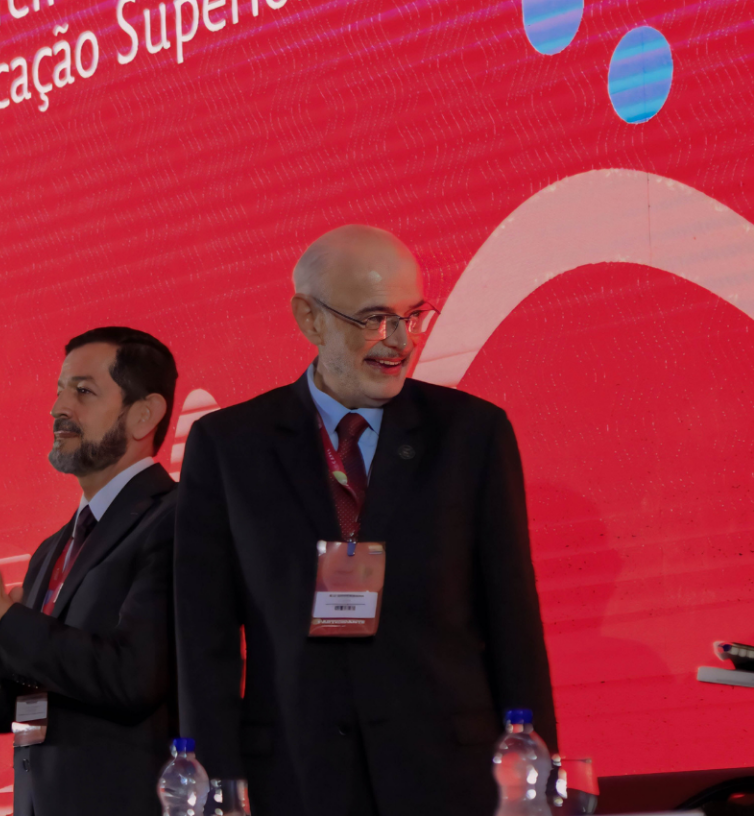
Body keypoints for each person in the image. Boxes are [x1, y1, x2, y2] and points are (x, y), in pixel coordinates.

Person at [175, 224, 557, 816]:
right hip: (295, 781)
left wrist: (536, 783)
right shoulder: (230, 446)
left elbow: (513, 622)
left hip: (449, 779)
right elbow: (205, 643)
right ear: (309, 319)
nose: (399, 341)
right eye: (375, 319)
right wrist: (212, 793)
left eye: (412, 316)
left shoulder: (470, 435)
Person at [0, 327, 181, 816]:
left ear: (144, 414)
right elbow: (17, 715)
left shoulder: (177, 518)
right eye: (59, 391)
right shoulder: (51, 550)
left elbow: (134, 677)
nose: (59, 408)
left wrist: (4, 620)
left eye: (83, 391)